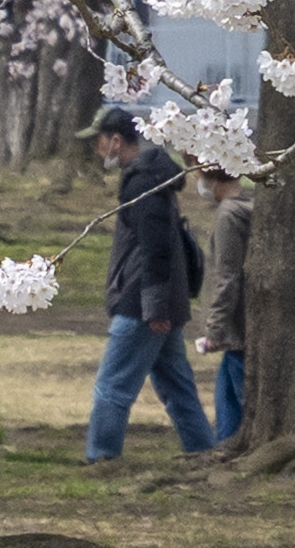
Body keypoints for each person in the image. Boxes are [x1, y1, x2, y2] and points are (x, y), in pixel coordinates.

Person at [87, 114, 217, 462]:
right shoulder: (153, 178)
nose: (97, 149)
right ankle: (203, 451)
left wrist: (155, 307)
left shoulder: (142, 183)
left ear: (116, 141)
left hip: (141, 305)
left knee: (111, 387)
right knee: (178, 388)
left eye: (99, 140)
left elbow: (155, 246)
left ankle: (101, 458)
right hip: (161, 302)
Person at [195, 163, 255, 449]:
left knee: (239, 396)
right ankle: (224, 447)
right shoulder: (246, 207)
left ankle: (234, 446)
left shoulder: (229, 215)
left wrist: (215, 329)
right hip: (238, 332)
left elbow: (227, 277)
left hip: (237, 330)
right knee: (226, 396)